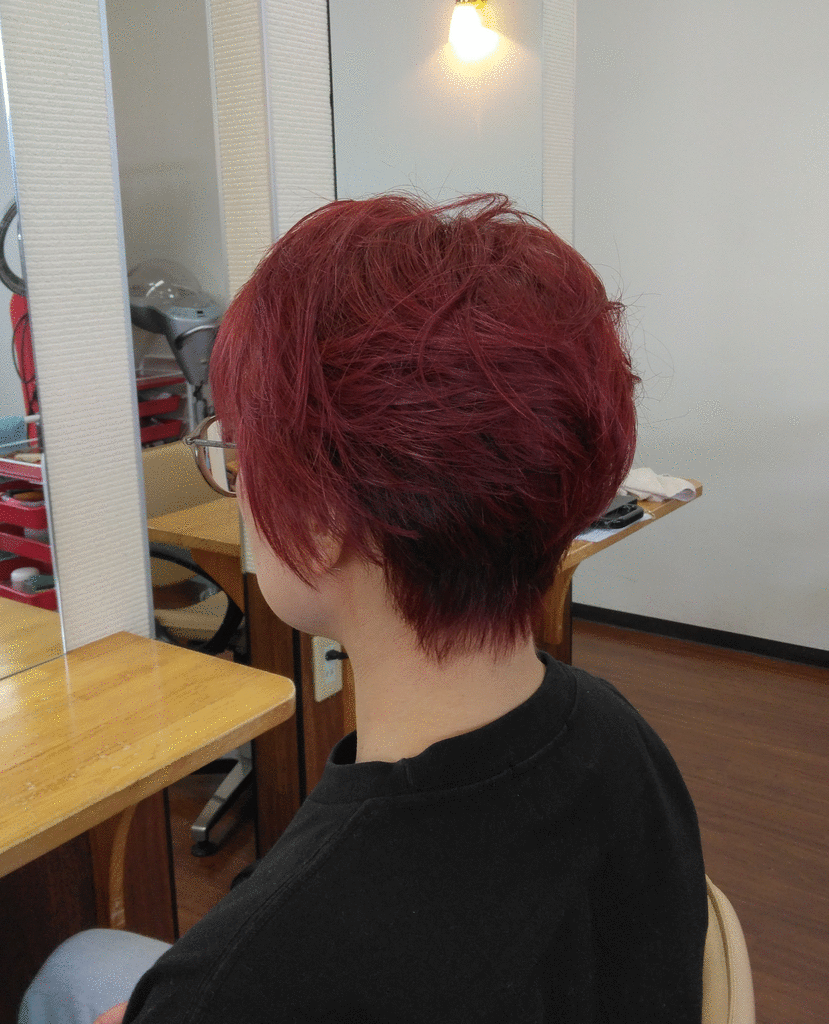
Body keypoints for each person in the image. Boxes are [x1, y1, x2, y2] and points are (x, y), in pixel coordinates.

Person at [20, 193, 707, 1024]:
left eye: (238, 455)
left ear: (321, 525)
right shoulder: (618, 732)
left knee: (73, 968)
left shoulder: (246, 981)